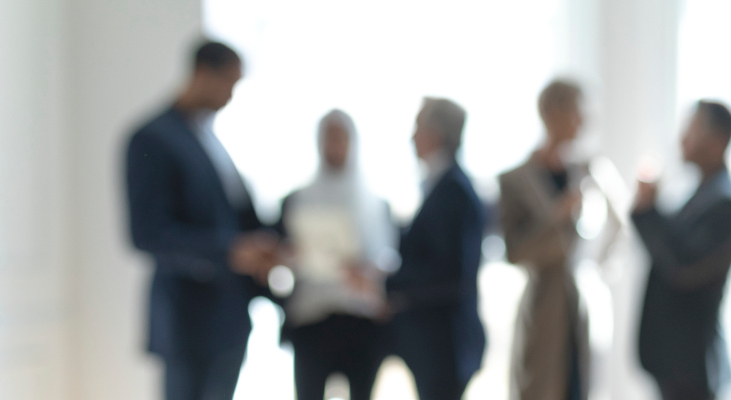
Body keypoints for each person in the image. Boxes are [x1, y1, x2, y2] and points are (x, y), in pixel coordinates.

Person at [124, 40, 280, 400]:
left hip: (229, 318)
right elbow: (147, 234)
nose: (231, 95)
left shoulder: (209, 137)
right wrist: (230, 251)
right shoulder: (152, 138)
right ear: (201, 74)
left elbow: (234, 214)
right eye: (229, 82)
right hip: (188, 323)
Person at [276, 110, 396, 400]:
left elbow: (388, 259)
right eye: (329, 137)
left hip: (360, 321)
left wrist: (369, 272)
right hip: (312, 319)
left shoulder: (376, 205)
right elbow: (279, 256)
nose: (334, 145)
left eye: (340, 138)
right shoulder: (297, 200)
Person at [632, 100, 731, 400]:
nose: (682, 139)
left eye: (692, 130)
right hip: (674, 358)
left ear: (717, 142)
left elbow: (682, 265)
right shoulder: (703, 193)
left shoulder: (725, 203)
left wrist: (648, 211)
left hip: (689, 361)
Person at [378, 97, 487, 399]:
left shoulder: (454, 191)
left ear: (437, 134)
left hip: (446, 344)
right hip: (436, 343)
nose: (412, 137)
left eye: (418, 127)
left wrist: (385, 282)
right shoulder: (439, 186)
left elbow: (450, 274)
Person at [499, 79, 590, 400]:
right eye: (578, 112)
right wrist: (556, 215)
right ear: (552, 113)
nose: (584, 121)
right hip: (543, 305)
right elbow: (514, 251)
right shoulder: (515, 180)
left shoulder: (584, 172)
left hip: (577, 304)